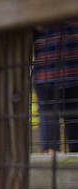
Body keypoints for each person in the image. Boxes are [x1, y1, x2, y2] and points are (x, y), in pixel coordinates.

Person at [33, 22, 78, 153]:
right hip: (46, 73)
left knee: (72, 122)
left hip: (67, 72)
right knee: (49, 121)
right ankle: (49, 156)